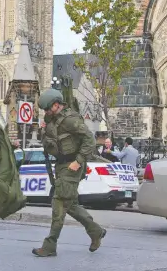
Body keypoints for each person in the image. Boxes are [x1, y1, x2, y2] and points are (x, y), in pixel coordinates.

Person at [32, 89, 106, 258]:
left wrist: (78, 161)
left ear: (56, 105)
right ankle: (96, 231)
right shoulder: (53, 120)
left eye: (47, 109)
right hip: (61, 165)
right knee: (69, 204)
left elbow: (90, 140)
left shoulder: (71, 120)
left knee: (58, 204)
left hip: (71, 166)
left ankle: (50, 245)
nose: (46, 112)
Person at [110, 137, 140, 208]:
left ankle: (121, 200)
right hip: (133, 170)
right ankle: (130, 202)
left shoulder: (126, 149)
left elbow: (119, 155)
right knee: (131, 186)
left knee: (124, 186)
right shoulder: (136, 151)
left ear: (126, 143)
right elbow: (138, 161)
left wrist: (111, 152)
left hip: (125, 170)